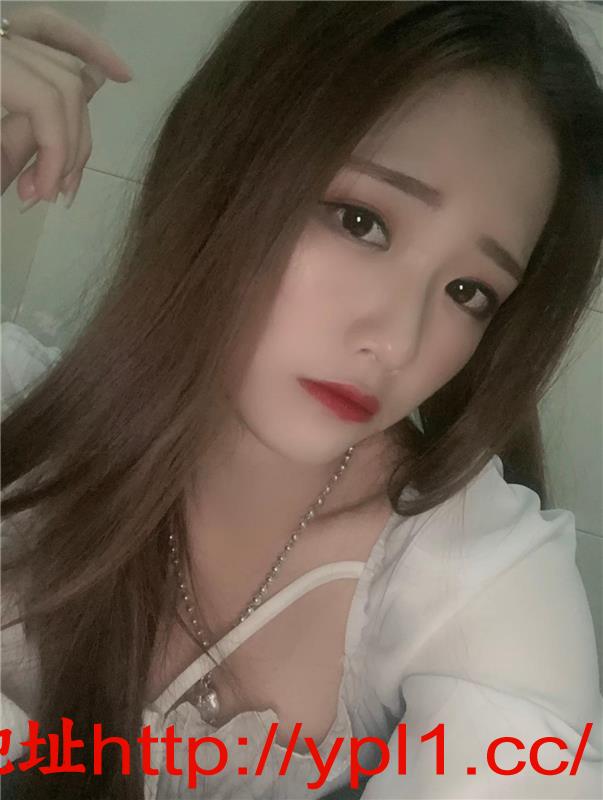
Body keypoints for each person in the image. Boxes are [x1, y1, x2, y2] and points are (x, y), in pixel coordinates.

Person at [1, 2, 602, 799]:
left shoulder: (474, 568)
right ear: (226, 169)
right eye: (361, 221)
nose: (397, 341)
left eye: (468, 291)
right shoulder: (20, 418)